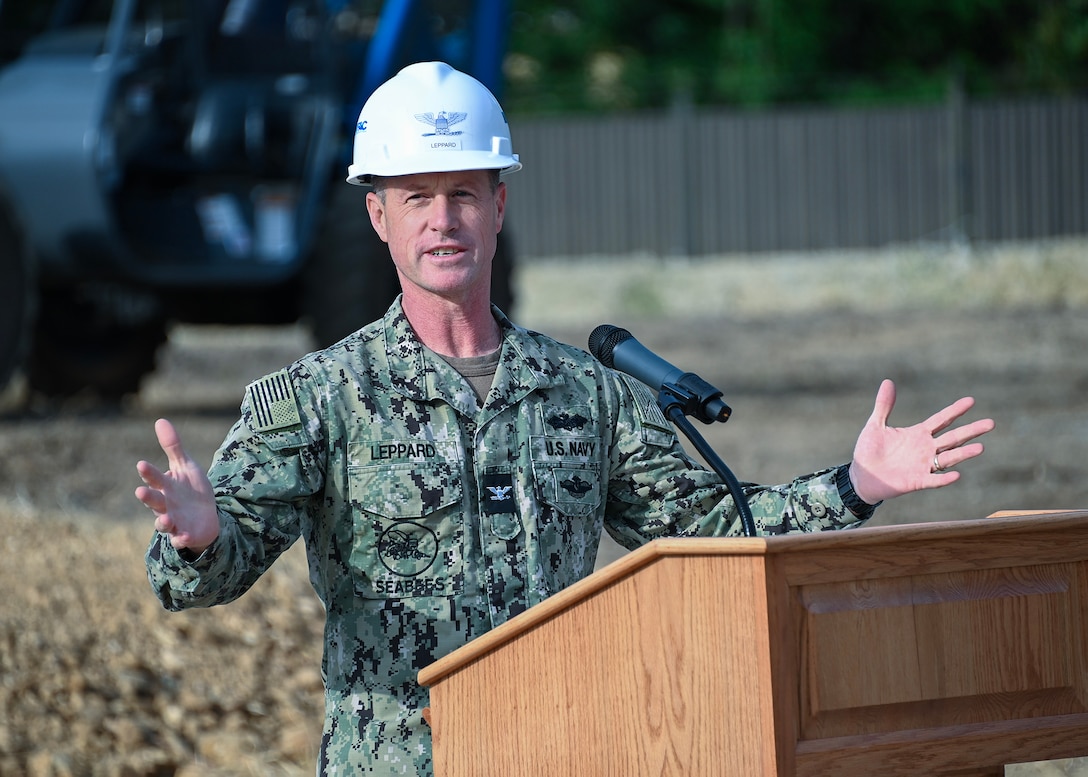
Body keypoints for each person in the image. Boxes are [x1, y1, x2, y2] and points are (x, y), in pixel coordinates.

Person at [137, 61, 995, 775]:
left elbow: (708, 534)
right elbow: (199, 580)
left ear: (499, 208)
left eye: (466, 194)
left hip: (562, 748)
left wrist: (855, 485)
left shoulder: (589, 390)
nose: (445, 221)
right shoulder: (318, 395)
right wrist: (200, 537)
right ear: (378, 215)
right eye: (419, 197)